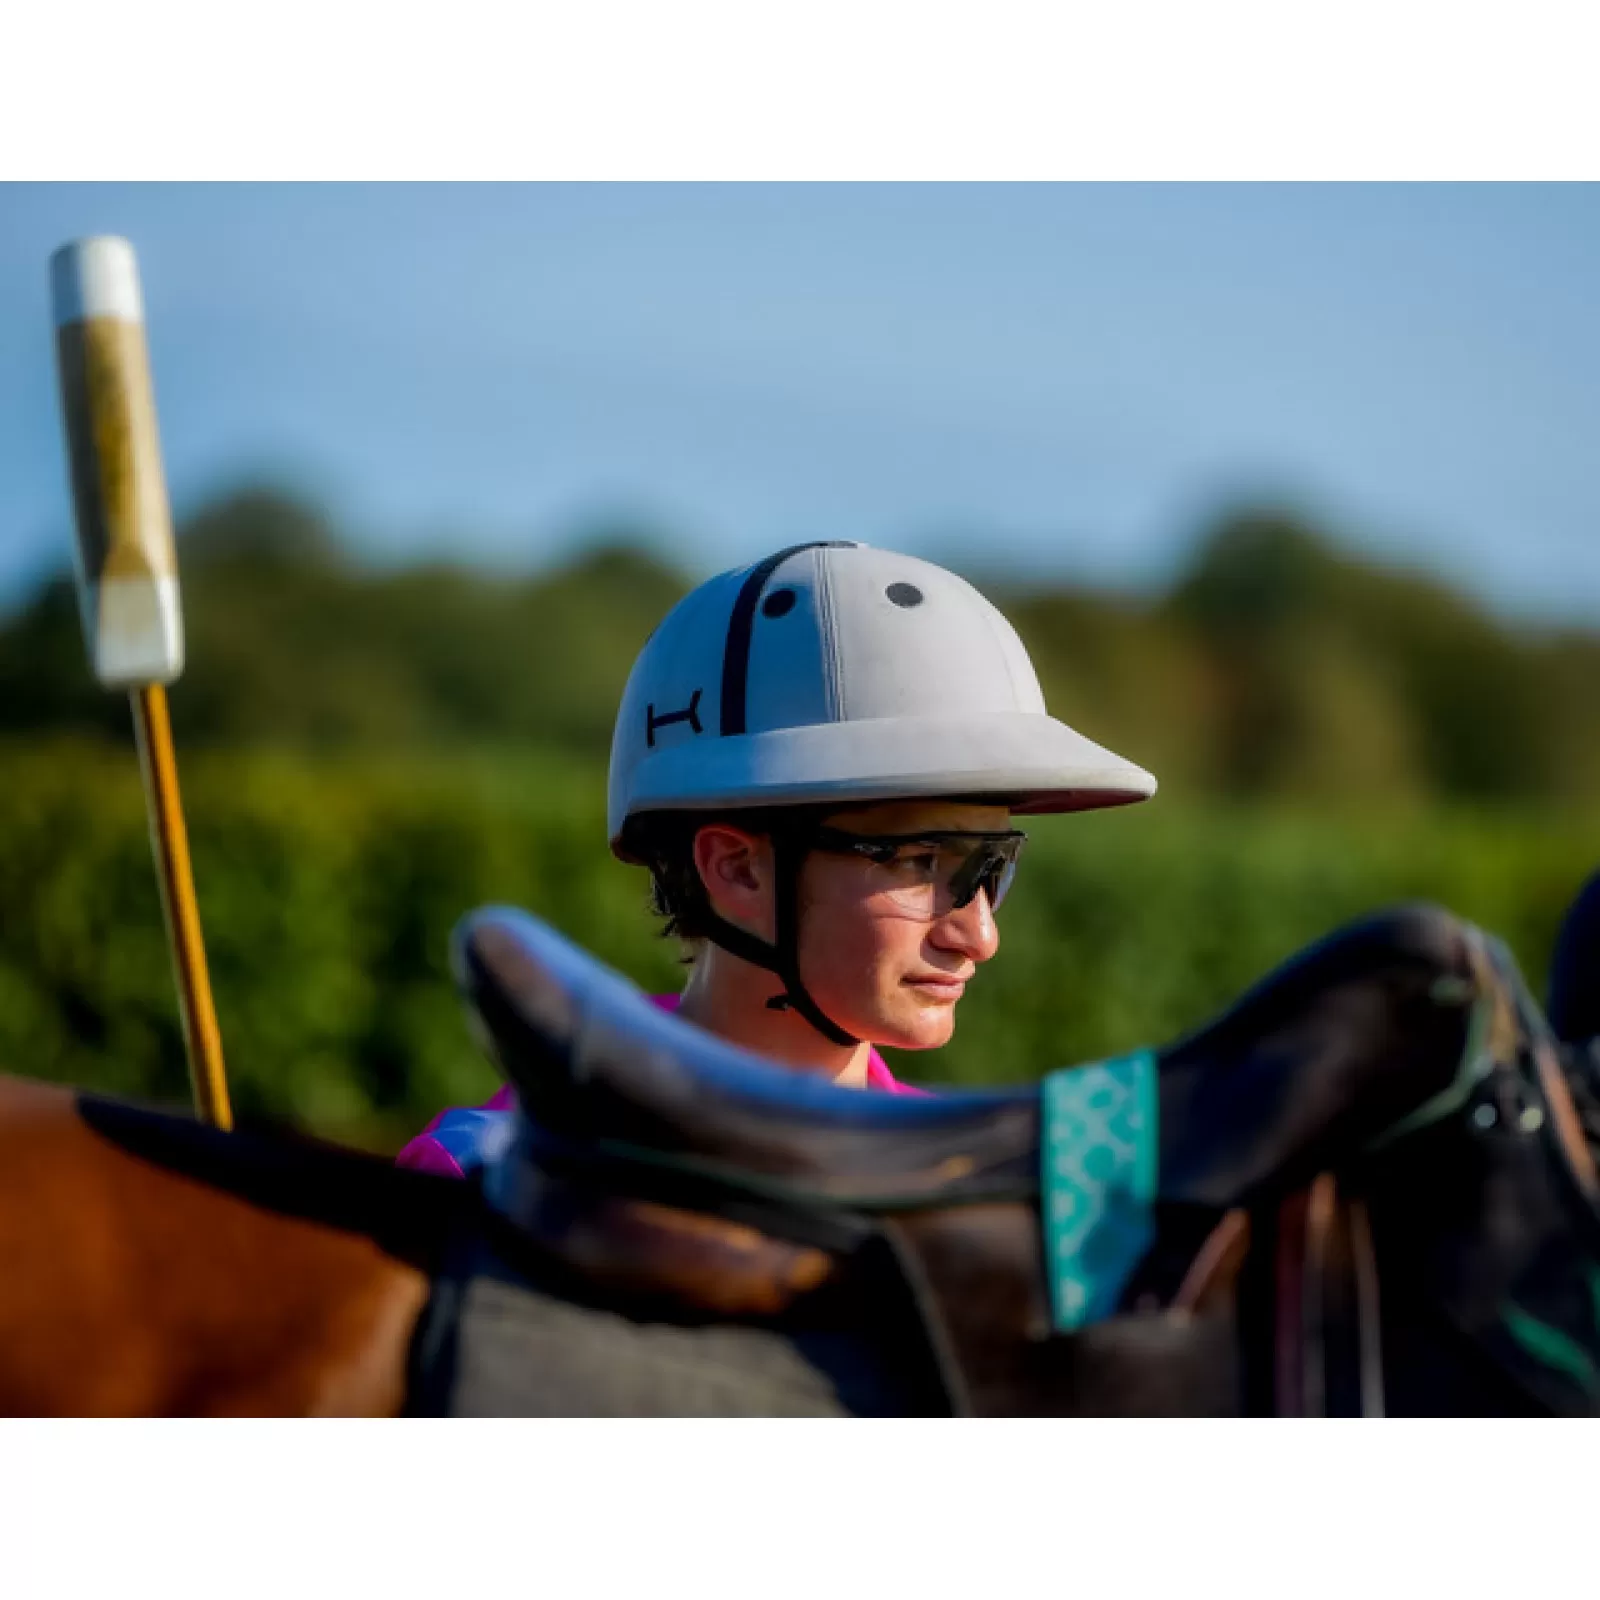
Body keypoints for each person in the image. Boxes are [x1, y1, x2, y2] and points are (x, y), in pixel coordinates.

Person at [397, 540, 1156, 1176]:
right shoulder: (488, 1183)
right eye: (920, 861)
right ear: (737, 868)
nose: (978, 935)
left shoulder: (986, 1190)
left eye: (991, 869)